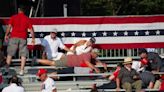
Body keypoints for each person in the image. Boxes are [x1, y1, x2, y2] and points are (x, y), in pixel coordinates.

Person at [4, 6, 35, 75]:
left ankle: (6, 69)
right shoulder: (27, 18)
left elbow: (9, 27)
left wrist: (6, 35)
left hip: (13, 37)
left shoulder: (13, 17)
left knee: (10, 54)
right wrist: (33, 38)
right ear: (24, 11)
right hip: (23, 38)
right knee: (23, 55)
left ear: (18, 10)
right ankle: (21, 70)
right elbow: (31, 30)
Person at [32, 49, 102, 73]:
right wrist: (95, 68)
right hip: (68, 61)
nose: (97, 56)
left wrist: (102, 64)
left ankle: (38, 60)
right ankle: (37, 60)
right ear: (94, 53)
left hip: (68, 59)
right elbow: (87, 63)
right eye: (97, 55)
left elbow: (94, 62)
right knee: (52, 63)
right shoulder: (88, 55)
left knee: (52, 62)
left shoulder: (89, 56)